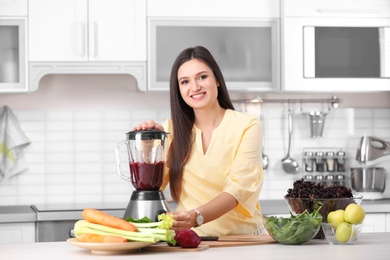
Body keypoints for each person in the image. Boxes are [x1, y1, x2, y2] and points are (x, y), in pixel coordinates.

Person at [134, 46, 264, 236]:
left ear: (217, 80)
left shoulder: (247, 125)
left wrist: (196, 216)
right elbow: (153, 187)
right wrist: (148, 150)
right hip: (192, 241)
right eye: (185, 81)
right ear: (179, 89)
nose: (195, 87)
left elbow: (239, 188)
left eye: (202, 77)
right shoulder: (170, 130)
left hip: (242, 240)